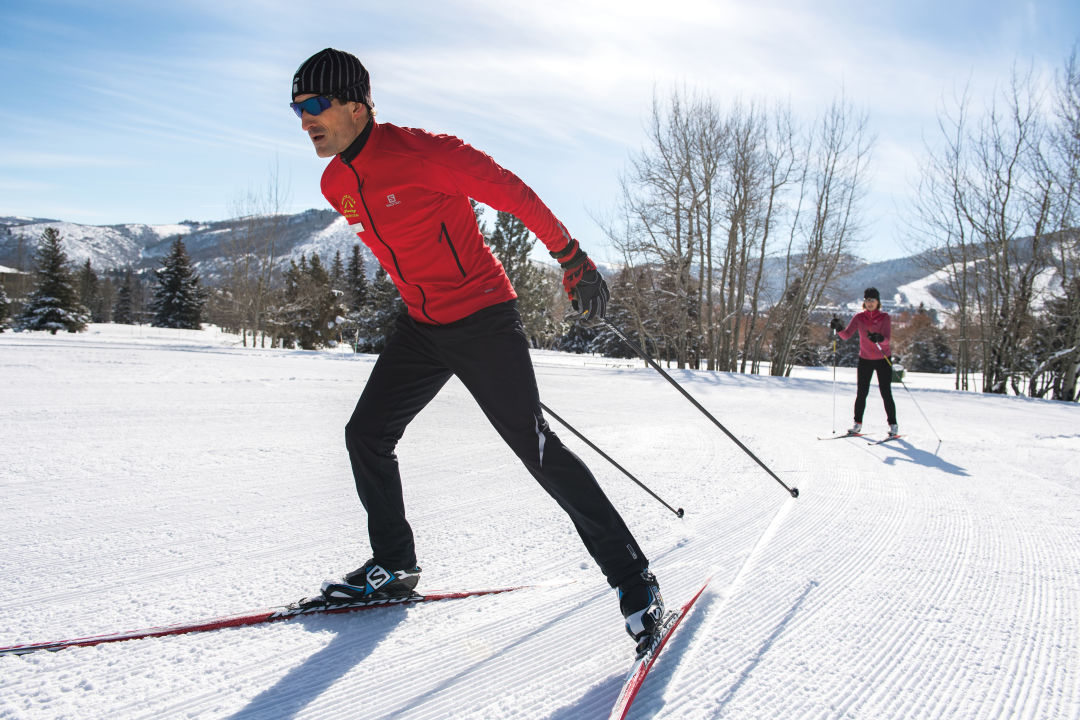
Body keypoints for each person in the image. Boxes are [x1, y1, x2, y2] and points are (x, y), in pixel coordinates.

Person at [289, 48, 663, 648]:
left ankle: (633, 578)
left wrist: (571, 257)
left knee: (537, 450)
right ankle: (394, 565)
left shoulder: (427, 152)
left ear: (357, 107)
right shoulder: (337, 183)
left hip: (483, 318)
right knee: (366, 434)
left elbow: (513, 192)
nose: (304, 118)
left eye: (314, 105)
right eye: (296, 108)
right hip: (421, 325)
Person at [829, 287, 899, 437]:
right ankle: (857, 424)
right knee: (861, 393)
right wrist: (839, 327)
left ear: (878, 302)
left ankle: (893, 425)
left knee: (886, 393)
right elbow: (846, 335)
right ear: (864, 302)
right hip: (865, 359)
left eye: (872, 300)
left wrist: (879, 338)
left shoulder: (884, 317)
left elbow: (887, 339)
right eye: (867, 300)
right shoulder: (859, 317)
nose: (870, 303)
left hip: (883, 359)